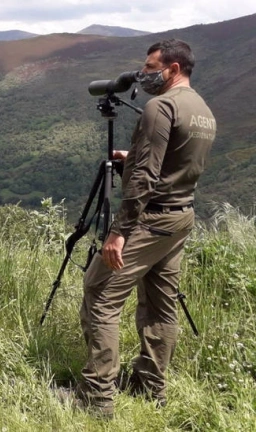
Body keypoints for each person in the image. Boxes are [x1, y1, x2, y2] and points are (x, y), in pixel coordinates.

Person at [74, 39, 216, 417]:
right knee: (160, 305)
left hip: (150, 218)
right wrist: (133, 155)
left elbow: (145, 178)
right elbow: (177, 163)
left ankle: (96, 398)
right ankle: (150, 388)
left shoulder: (160, 106)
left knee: (100, 294)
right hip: (180, 216)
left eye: (152, 67)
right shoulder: (202, 111)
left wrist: (118, 232)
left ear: (173, 68)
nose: (144, 73)